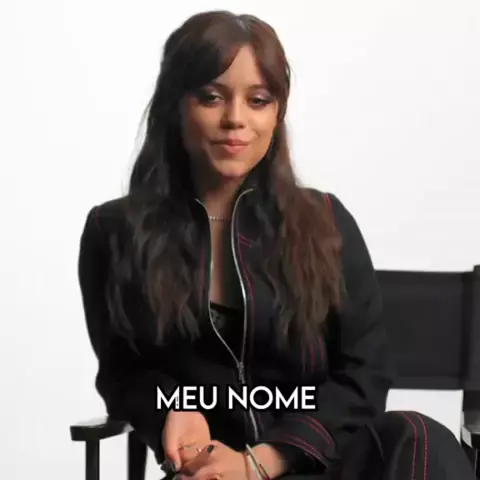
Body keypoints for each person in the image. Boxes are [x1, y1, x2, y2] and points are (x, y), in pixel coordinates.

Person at [77, 10, 476, 480]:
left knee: (417, 436)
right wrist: (171, 413)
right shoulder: (115, 232)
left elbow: (364, 375)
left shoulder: (325, 221)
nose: (235, 119)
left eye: (258, 100)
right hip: (208, 471)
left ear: (277, 113)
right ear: (175, 105)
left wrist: (261, 462)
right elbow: (122, 373)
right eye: (211, 97)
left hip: (322, 464)